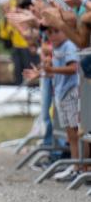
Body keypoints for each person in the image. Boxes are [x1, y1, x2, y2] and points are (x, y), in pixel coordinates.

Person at [23, 25, 82, 182]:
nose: (53, 36)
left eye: (56, 31)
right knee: (71, 134)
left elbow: (73, 68)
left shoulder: (68, 46)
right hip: (62, 93)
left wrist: (52, 70)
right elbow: (54, 71)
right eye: (49, 33)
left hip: (70, 92)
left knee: (75, 133)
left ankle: (79, 166)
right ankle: (76, 165)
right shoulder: (57, 48)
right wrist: (42, 73)